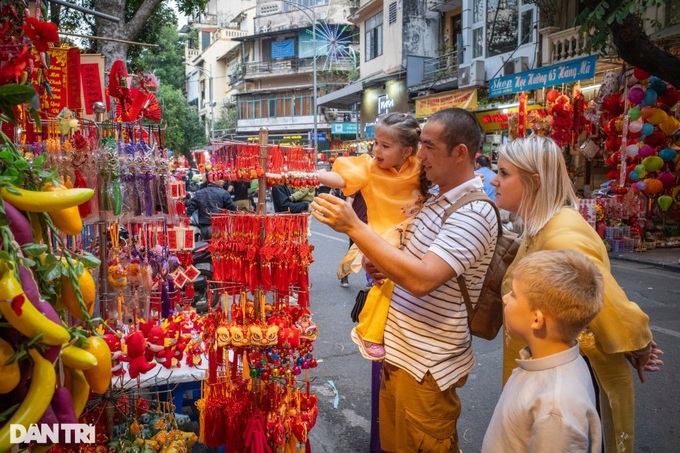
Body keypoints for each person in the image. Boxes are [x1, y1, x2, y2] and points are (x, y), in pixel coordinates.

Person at [312, 107, 497, 453]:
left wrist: (355, 227)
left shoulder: (473, 212)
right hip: (401, 357)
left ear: (460, 153)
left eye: (428, 146)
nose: (419, 154)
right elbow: (407, 261)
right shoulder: (435, 201)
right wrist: (381, 263)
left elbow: (424, 279)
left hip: (427, 367)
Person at [491, 134, 663, 453]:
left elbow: (613, 309)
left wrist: (640, 347)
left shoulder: (562, 237)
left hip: (565, 384)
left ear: (534, 181)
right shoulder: (540, 227)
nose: (494, 180)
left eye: (503, 173)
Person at [318, 112, 428, 361]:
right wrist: (309, 175)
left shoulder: (421, 167)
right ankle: (370, 333)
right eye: (375, 143)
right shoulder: (369, 167)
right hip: (382, 240)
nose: (377, 150)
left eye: (385, 146)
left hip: (418, 237)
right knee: (385, 283)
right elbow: (341, 178)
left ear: (407, 151)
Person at [481, 249, 604, 453]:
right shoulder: (554, 359)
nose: (505, 298)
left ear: (537, 319)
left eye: (513, 294)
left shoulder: (556, 408)